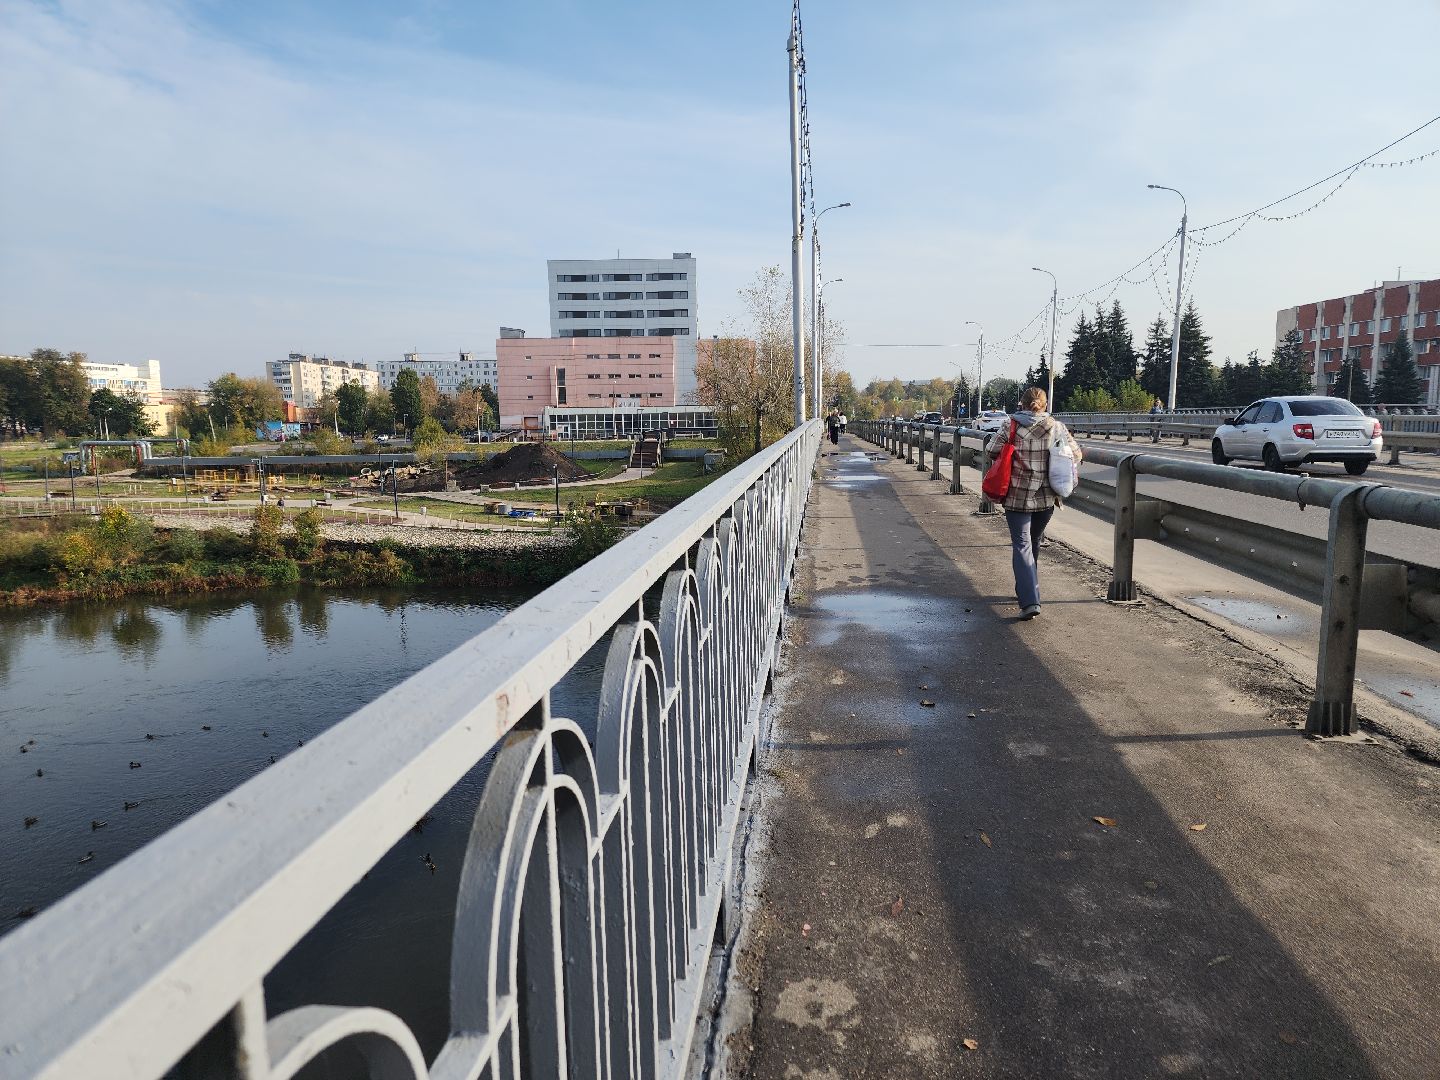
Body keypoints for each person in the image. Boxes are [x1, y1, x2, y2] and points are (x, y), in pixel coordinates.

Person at [991, 386, 1081, 620]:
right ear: (1046, 405)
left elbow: (992, 450)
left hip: (1016, 497)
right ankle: (1028, 588)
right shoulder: (1057, 427)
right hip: (1046, 498)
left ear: (1022, 404)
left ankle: (1029, 599)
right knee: (1034, 541)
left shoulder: (1010, 425)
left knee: (1022, 545)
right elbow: (1076, 454)